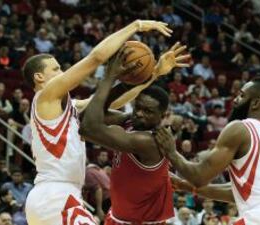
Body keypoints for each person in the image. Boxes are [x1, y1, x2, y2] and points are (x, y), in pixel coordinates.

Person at [23, 19, 172, 225]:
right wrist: (136, 26)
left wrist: (153, 74)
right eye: (56, 69)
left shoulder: (66, 107)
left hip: (55, 197)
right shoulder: (45, 96)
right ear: (39, 77)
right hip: (56, 196)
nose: (62, 73)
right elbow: (95, 58)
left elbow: (108, 101)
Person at [155, 77, 260, 225]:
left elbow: (199, 177)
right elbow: (239, 192)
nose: (235, 100)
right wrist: (184, 185)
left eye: (241, 96)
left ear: (255, 103)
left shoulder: (240, 128)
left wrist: (172, 152)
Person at [79, 42, 190, 224]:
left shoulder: (149, 141)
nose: (139, 113)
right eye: (138, 107)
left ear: (163, 116)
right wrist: (129, 83)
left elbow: (88, 128)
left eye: (148, 111)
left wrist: (109, 77)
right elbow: (86, 117)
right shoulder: (132, 121)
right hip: (117, 216)